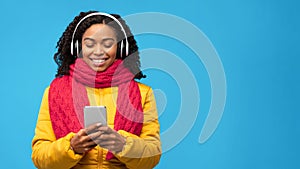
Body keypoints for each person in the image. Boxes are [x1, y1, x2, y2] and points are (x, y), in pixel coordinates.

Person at [31, 10, 161, 169]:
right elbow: (39, 157)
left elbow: (152, 156)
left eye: (107, 44)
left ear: (120, 47)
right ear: (77, 47)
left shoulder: (143, 93)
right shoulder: (54, 92)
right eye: (89, 44)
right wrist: (71, 146)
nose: (98, 51)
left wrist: (124, 145)